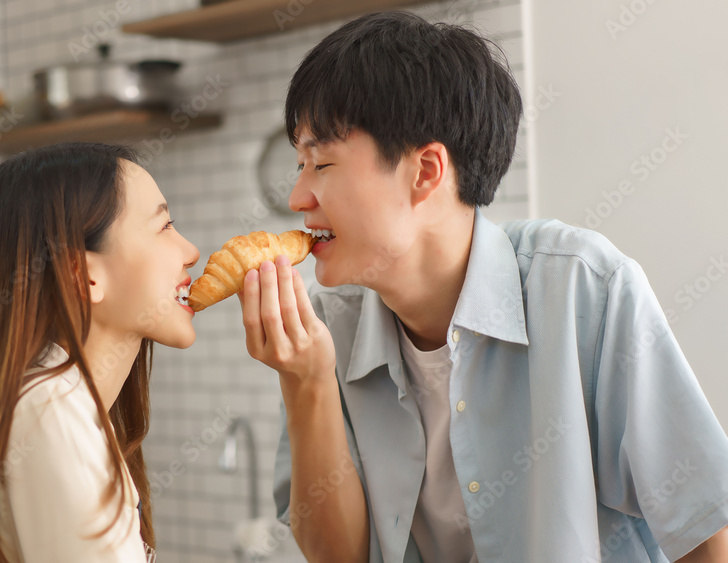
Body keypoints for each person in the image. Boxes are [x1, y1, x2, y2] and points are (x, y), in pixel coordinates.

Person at [237, 11, 728, 563]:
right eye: (300, 164)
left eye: (321, 162)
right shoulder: (326, 329)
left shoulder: (580, 289)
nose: (298, 196)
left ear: (425, 171)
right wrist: (306, 383)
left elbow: (704, 527)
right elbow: (338, 557)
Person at [0, 143, 199, 562]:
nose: (191, 251)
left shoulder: (63, 404)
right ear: (84, 276)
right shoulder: (51, 409)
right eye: (165, 227)